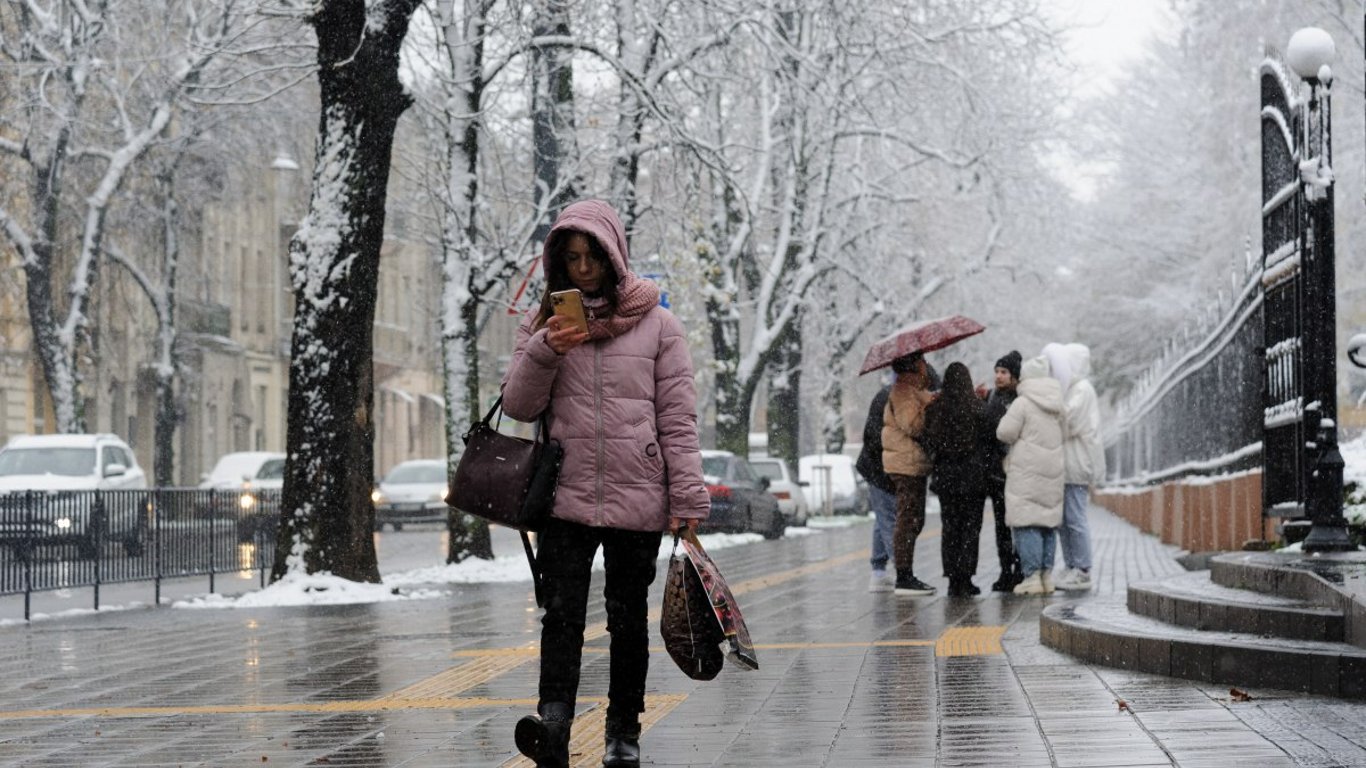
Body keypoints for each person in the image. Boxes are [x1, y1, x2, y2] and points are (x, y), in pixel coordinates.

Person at [501, 199, 709, 768]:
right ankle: (555, 725)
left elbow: (677, 418)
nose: (584, 269)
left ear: (615, 255)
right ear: (558, 263)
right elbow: (519, 405)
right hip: (563, 497)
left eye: (593, 256)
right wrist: (545, 348)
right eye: (572, 259)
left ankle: (623, 731)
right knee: (561, 615)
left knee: (626, 620)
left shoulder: (658, 324)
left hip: (637, 494)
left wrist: (687, 497)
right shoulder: (544, 322)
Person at [995, 355, 1065, 596]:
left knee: (1027, 523)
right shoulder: (1057, 404)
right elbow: (1064, 432)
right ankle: (1047, 575)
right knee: (1047, 522)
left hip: (1026, 470)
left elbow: (1004, 432)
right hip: (1053, 469)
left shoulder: (1022, 403)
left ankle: (1032, 576)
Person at [921, 362, 992, 597]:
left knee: (950, 528)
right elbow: (990, 438)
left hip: (947, 479)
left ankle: (952, 578)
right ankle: (966, 576)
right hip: (973, 479)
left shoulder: (936, 408)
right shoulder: (977, 408)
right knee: (971, 528)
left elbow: (927, 440)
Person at [1046, 342, 1106, 592]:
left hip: (1076, 463)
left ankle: (1082, 568)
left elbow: (1067, 421)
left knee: (1074, 517)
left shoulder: (1081, 390)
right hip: (1067, 464)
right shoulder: (1072, 389)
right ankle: (1072, 564)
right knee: (1064, 519)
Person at [881, 351, 937, 595]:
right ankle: (904, 576)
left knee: (913, 518)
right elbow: (913, 425)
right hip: (905, 464)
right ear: (914, 366)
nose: (926, 365)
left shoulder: (912, 390)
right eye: (923, 361)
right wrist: (930, 407)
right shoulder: (903, 390)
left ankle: (906, 573)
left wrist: (931, 399)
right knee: (908, 518)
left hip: (911, 463)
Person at [982, 351, 1023, 592]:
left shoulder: (1021, 399)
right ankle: (1005, 570)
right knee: (1001, 525)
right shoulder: (991, 398)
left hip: (1017, 471)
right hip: (997, 473)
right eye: (997, 371)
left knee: (1018, 522)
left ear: (1014, 376)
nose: (998, 376)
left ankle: (1020, 568)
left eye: (1004, 372)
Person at [855, 379, 897, 592]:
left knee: (883, 520)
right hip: (880, 469)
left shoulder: (887, 395)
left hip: (879, 467)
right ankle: (902, 571)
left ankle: (878, 572)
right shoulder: (890, 397)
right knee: (889, 520)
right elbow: (873, 437)